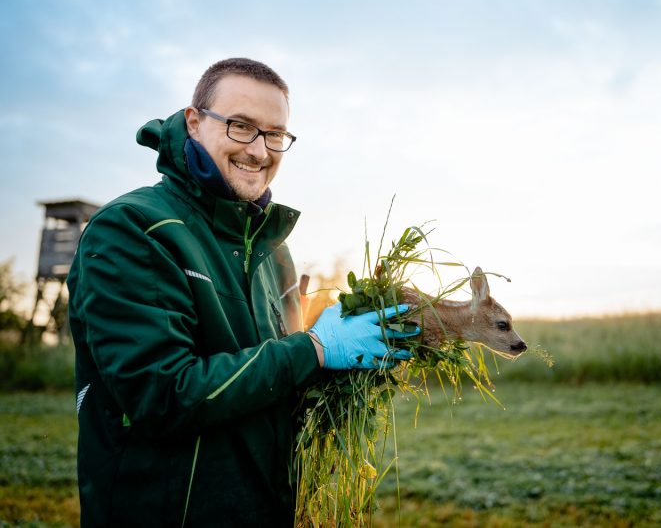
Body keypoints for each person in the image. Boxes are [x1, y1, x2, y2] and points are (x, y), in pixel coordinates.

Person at [67, 57, 416, 527]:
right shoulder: (135, 228)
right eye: (240, 126)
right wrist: (313, 348)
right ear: (194, 123)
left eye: (276, 135)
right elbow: (164, 394)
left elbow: (278, 378)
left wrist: (345, 365)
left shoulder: (274, 251)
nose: (259, 151)